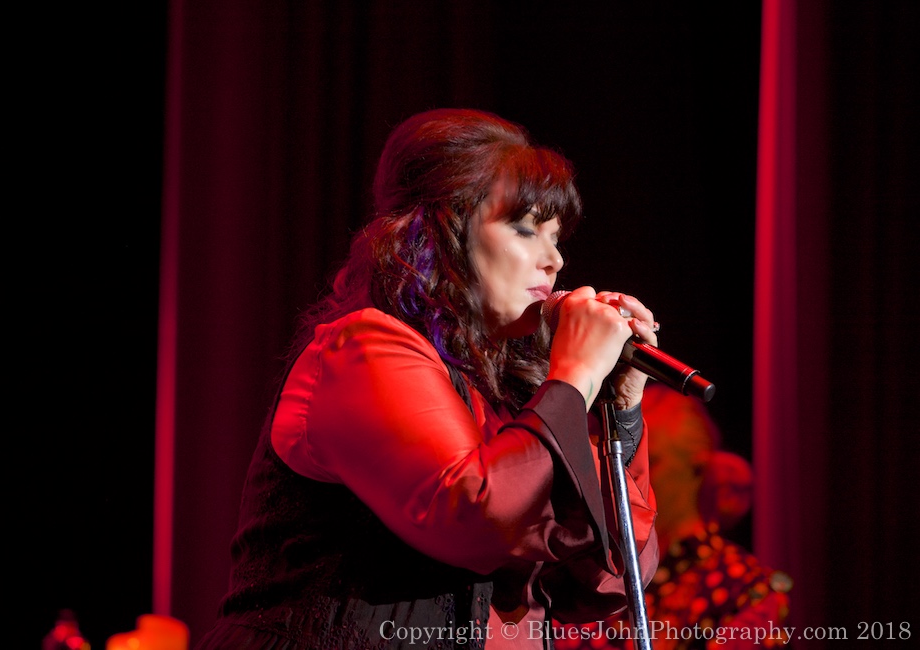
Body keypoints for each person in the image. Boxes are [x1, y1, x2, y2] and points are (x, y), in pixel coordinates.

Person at [193, 108, 659, 650]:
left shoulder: (516, 397)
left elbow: (613, 581)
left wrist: (619, 415)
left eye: (557, 239)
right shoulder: (363, 347)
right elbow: (477, 514)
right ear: (444, 228)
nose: (554, 260)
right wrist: (576, 375)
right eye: (526, 228)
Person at [553, 384, 791, 650]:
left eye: (649, 462)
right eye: (616, 466)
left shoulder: (744, 591)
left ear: (696, 470)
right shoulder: (594, 574)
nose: (624, 481)